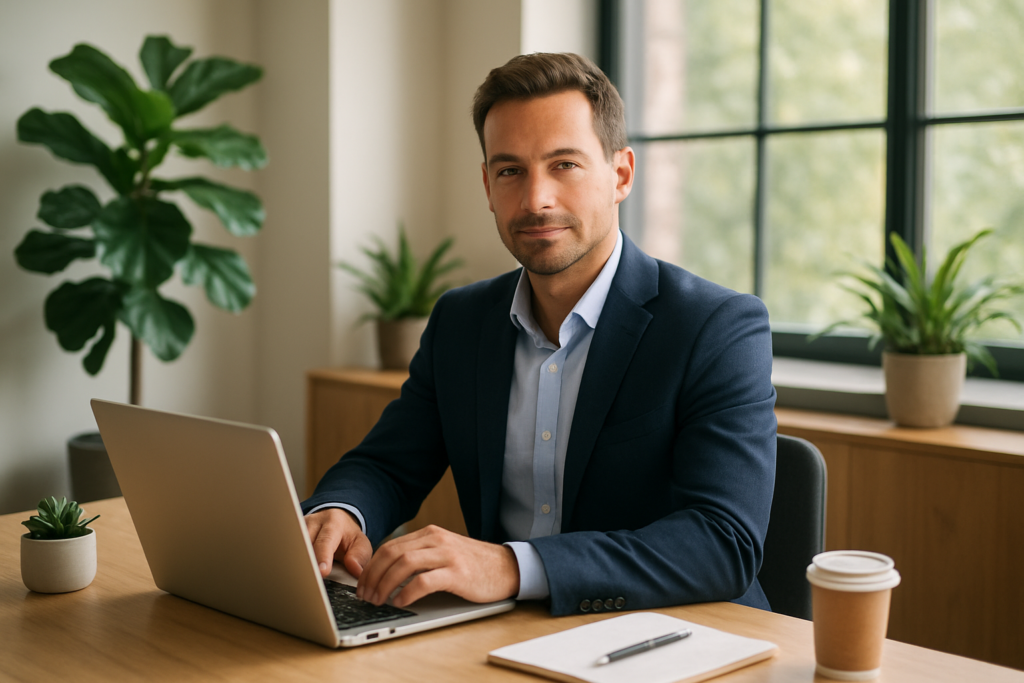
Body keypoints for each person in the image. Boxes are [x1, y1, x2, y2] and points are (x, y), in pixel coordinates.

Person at [302, 52, 776, 617]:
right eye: (510, 171)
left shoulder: (717, 327)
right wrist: (341, 511)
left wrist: (512, 566)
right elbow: (387, 464)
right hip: (507, 632)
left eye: (564, 165)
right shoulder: (461, 321)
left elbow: (723, 542)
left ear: (621, 175)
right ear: (487, 185)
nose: (535, 200)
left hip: (674, 634)